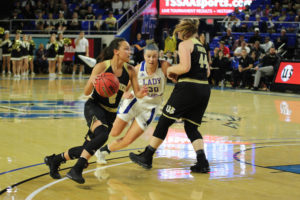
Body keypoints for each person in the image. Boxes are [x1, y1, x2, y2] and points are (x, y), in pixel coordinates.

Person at [44, 38, 147, 184]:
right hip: (94, 107)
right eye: (126, 48)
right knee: (103, 135)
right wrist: (95, 81)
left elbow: (137, 93)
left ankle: (54, 160)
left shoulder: (130, 70)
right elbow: (86, 92)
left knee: (87, 148)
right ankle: (76, 169)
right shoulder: (101, 67)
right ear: (116, 51)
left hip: (110, 114)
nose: (130, 51)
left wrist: (142, 92)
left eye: (129, 49)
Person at [129, 19, 211, 173]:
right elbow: (207, 72)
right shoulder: (202, 45)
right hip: (204, 89)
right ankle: (202, 162)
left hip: (188, 88)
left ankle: (147, 156)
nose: (178, 37)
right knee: (191, 127)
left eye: (179, 33)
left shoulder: (185, 44)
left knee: (165, 120)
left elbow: (185, 67)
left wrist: (171, 70)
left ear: (186, 32)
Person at [95, 43, 170, 164]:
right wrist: (124, 94)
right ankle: (95, 135)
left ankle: (103, 151)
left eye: (154, 56)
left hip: (150, 108)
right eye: (148, 56)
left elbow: (178, 76)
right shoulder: (137, 68)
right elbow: (125, 87)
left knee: (127, 140)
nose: (151, 59)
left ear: (159, 56)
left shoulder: (164, 66)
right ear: (144, 56)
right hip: (134, 102)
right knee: (114, 132)